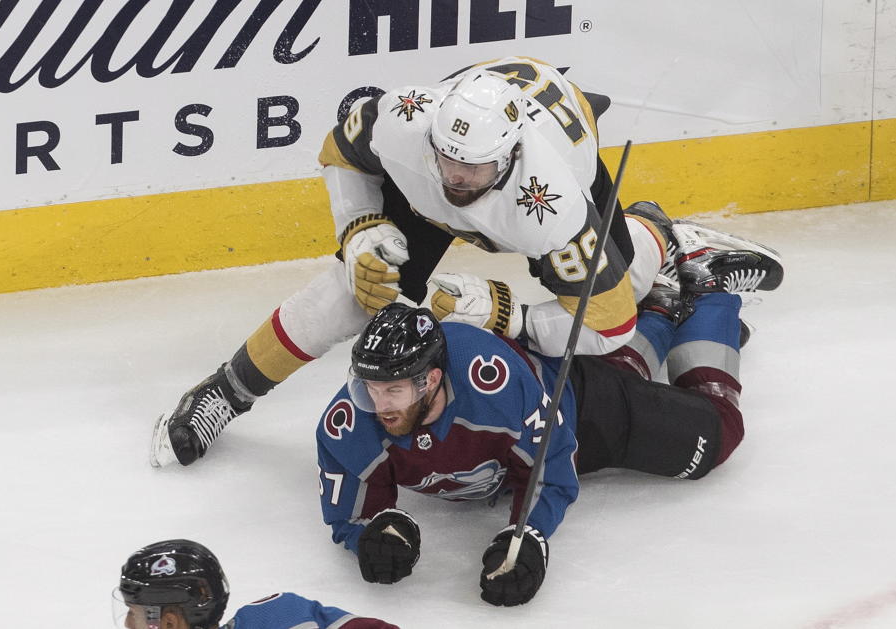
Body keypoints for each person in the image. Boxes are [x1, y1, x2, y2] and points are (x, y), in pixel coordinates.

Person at [150, 55, 782, 468]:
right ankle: (224, 393)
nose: (454, 177)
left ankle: (661, 233)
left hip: (550, 186)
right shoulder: (407, 121)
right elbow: (338, 150)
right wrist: (360, 229)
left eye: (471, 167)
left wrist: (505, 313)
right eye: (445, 158)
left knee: (633, 282)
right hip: (448, 189)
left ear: (507, 157)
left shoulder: (552, 205)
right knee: (348, 290)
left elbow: (607, 329)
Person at [315, 244, 782, 607]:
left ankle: (709, 289)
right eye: (370, 388)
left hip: (575, 407)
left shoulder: (492, 382)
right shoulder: (351, 420)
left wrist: (527, 536)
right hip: (533, 423)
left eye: (393, 391)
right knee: (624, 370)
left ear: (432, 379)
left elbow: (552, 465)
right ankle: (661, 306)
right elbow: (351, 514)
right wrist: (371, 537)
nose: (378, 405)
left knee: (714, 436)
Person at [114, 538, 398, 629]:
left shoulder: (277, 618)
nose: (127, 623)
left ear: (169, 623)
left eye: (133, 611)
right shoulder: (280, 615)